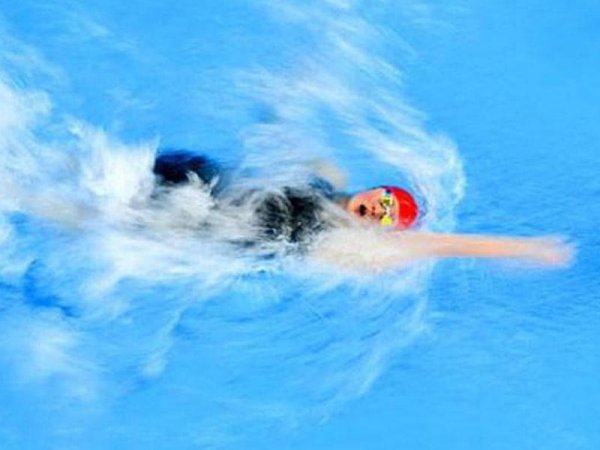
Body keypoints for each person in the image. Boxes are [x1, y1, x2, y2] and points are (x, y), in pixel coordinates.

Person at [153, 150, 573, 270]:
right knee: (182, 163)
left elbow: (447, 245)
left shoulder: (341, 240)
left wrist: (527, 248)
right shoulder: (327, 181)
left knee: (137, 213)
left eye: (386, 219)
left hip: (214, 228)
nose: (377, 212)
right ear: (375, 191)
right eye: (383, 202)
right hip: (216, 185)